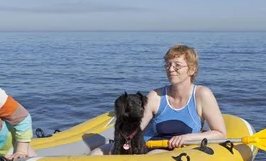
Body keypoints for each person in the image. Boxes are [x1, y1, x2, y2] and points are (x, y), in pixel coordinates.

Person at [90, 44, 227, 155]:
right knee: (97, 152)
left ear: (191, 70)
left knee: (155, 153)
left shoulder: (202, 95)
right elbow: (137, 128)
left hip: (173, 152)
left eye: (177, 65)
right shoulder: (155, 96)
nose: (171, 69)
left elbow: (220, 133)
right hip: (147, 145)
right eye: (168, 65)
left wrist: (186, 138)